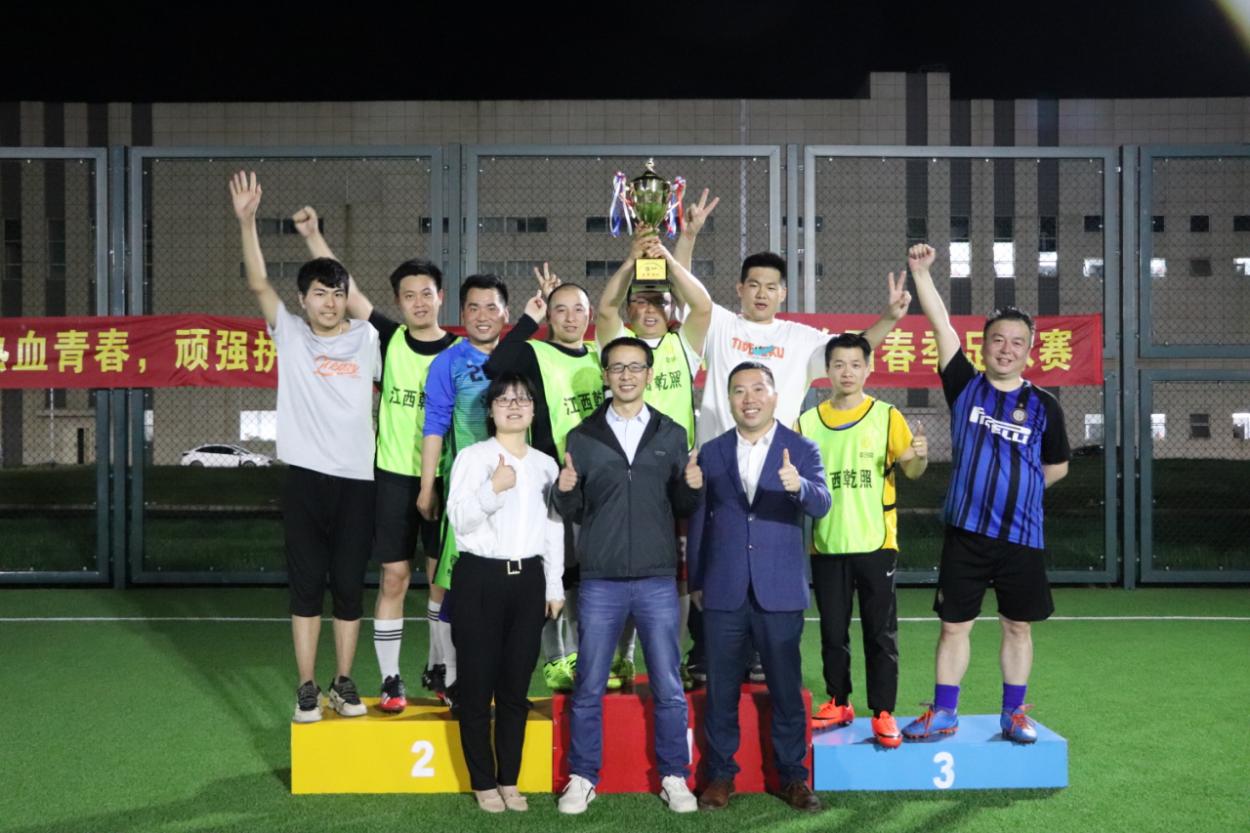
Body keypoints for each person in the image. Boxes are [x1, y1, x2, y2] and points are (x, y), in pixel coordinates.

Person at [676, 193, 908, 685]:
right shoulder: (720, 324)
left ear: (783, 293)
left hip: (777, 468)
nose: (761, 293)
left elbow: (851, 353)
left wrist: (889, 317)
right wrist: (689, 237)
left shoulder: (801, 338)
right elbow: (689, 290)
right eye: (753, 285)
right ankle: (705, 650)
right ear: (739, 288)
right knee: (715, 554)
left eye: (771, 286)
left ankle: (764, 652)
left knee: (771, 559)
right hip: (719, 463)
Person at [899, 243, 1070, 745]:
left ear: (1029, 351)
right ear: (984, 345)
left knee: (1018, 626)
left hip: (1022, 538)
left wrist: (1021, 490)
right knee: (954, 626)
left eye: (1017, 342)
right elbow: (941, 325)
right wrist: (921, 274)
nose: (1006, 349)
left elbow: (1057, 466)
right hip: (967, 534)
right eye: (998, 340)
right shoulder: (965, 387)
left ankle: (1014, 714)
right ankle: (944, 713)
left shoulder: (1045, 406)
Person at [294, 207, 458, 713]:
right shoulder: (388, 337)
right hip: (391, 477)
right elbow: (346, 291)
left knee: (442, 580)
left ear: (440, 297)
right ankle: (391, 679)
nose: (418, 302)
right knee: (394, 577)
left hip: (447, 477)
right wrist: (313, 236)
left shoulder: (460, 352)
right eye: (408, 295)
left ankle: (440, 668)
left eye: (426, 293)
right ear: (398, 302)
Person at [229, 171, 379, 723]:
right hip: (304, 479)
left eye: (337, 294)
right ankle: (308, 687)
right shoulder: (289, 334)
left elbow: (357, 296)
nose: (331, 302)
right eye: (320, 293)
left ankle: (343, 682)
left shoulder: (366, 338)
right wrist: (247, 222)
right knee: (307, 587)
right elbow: (258, 284)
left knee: (349, 588)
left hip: (358, 479)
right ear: (302, 300)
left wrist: (318, 240)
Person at [551, 337, 705, 815]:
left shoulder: (672, 433)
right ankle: (582, 777)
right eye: (617, 367)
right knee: (589, 685)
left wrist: (692, 488)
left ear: (649, 374)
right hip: (600, 578)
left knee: (668, 685)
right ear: (605, 375)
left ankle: (675, 776)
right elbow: (574, 510)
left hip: (658, 578)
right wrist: (565, 491)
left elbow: (680, 505)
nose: (626, 375)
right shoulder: (581, 436)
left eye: (635, 367)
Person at [686, 362, 831, 813]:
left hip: (779, 590)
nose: (748, 398)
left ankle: (793, 777)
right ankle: (719, 776)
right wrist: (696, 579)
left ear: (774, 396)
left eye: (757, 389)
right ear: (729, 400)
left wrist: (799, 486)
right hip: (723, 587)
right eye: (738, 391)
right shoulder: (711, 452)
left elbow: (823, 503)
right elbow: (699, 519)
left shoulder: (801, 448)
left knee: (786, 690)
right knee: (721, 690)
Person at [796, 331, 929, 747]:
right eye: (839, 364)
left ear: (869, 369)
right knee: (833, 631)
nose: (847, 372)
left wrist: (921, 455)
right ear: (827, 370)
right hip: (827, 544)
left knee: (880, 633)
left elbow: (912, 471)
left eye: (856, 364)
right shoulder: (807, 423)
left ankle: (883, 711)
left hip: (876, 543)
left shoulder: (887, 416)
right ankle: (839, 700)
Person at [593, 226, 711, 690]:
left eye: (658, 301)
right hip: (624, 476)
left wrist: (666, 258)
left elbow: (702, 306)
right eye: (639, 302)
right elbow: (604, 308)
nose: (648, 309)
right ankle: (623, 658)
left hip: (673, 479)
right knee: (624, 568)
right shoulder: (621, 349)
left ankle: (672, 659)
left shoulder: (684, 346)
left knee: (678, 577)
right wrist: (630, 261)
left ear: (670, 309)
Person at [445, 371, 565, 813]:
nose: (514, 406)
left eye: (523, 399)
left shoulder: (546, 465)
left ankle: (508, 779)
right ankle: (482, 781)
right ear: (491, 410)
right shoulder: (473, 458)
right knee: (477, 689)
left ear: (534, 410)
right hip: (479, 578)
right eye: (504, 399)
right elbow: (460, 520)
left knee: (515, 688)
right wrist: (493, 489)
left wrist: (553, 584)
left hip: (529, 581)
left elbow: (553, 529)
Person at [484, 268, 604, 690]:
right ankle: (556, 657)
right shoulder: (535, 353)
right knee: (556, 568)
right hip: (553, 479)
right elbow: (494, 365)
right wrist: (528, 318)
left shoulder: (600, 354)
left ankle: (589, 656)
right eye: (560, 310)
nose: (570, 318)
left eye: (578, 309)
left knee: (590, 574)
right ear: (550, 316)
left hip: (600, 481)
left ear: (590, 314)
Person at [416, 272, 512, 707]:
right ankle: (450, 675)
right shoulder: (448, 362)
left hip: (514, 491)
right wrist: (427, 486)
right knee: (455, 586)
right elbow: (434, 426)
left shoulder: (518, 357)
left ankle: (496, 680)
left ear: (506, 314)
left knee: (506, 589)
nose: (482, 315)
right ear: (461, 314)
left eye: (491, 307)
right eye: (473, 307)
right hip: (466, 493)